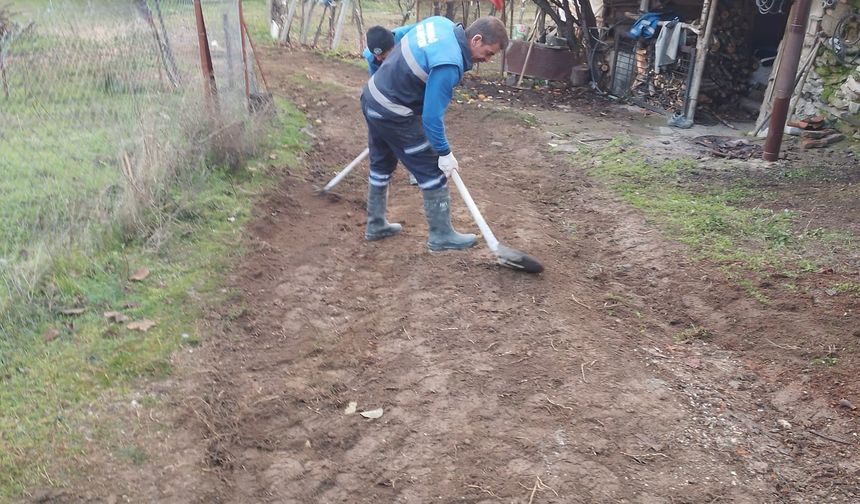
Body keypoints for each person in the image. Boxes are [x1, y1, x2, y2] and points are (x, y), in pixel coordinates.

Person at [360, 16, 507, 251]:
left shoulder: (439, 23)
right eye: (488, 53)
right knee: (432, 169)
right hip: (393, 110)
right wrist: (444, 153)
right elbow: (431, 117)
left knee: (382, 164)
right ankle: (441, 235)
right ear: (476, 39)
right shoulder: (449, 63)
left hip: (372, 97)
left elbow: (396, 35)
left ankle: (375, 225)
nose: (486, 60)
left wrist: (372, 57)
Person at [363, 24, 420, 185]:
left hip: (416, 77)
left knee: (416, 123)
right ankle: (382, 169)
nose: (379, 59)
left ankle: (416, 169)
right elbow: (378, 87)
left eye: (383, 55)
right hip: (393, 85)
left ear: (394, 46)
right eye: (377, 56)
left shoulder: (411, 36)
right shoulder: (372, 58)